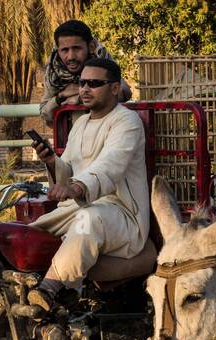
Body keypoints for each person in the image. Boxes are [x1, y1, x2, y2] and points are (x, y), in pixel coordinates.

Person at [26, 57, 150, 314]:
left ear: (115, 88)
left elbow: (110, 165)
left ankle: (50, 288)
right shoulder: (81, 123)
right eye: (82, 83)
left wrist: (77, 188)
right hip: (80, 206)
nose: (84, 89)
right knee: (24, 232)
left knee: (89, 219)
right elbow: (68, 172)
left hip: (121, 214)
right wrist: (51, 161)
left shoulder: (127, 122)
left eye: (94, 83)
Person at [39, 19, 132, 125]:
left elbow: (123, 92)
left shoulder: (101, 60)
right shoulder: (53, 72)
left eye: (77, 48)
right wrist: (61, 97)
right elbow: (45, 113)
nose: (71, 57)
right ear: (58, 50)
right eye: (65, 50)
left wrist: (79, 97)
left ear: (91, 47)